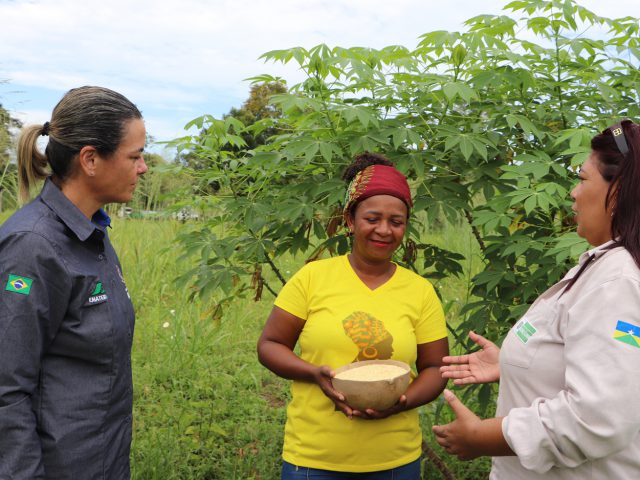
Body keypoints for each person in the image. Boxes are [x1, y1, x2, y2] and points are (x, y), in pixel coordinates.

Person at [433, 120, 640, 479]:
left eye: (582, 178)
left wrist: (482, 437)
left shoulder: (617, 281)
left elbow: (598, 419)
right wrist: (517, 366)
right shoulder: (608, 266)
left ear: (618, 191)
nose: (573, 193)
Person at [257, 152, 449, 479]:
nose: (384, 231)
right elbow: (270, 345)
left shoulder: (420, 291)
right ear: (350, 220)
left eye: (396, 222)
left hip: (395, 460)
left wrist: (400, 402)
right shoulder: (312, 278)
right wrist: (314, 373)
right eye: (372, 219)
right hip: (314, 459)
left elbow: (435, 368)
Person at [0, 86, 147, 479]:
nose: (143, 167)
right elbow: (6, 391)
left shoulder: (93, 235)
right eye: (134, 156)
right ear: (90, 159)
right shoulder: (32, 247)